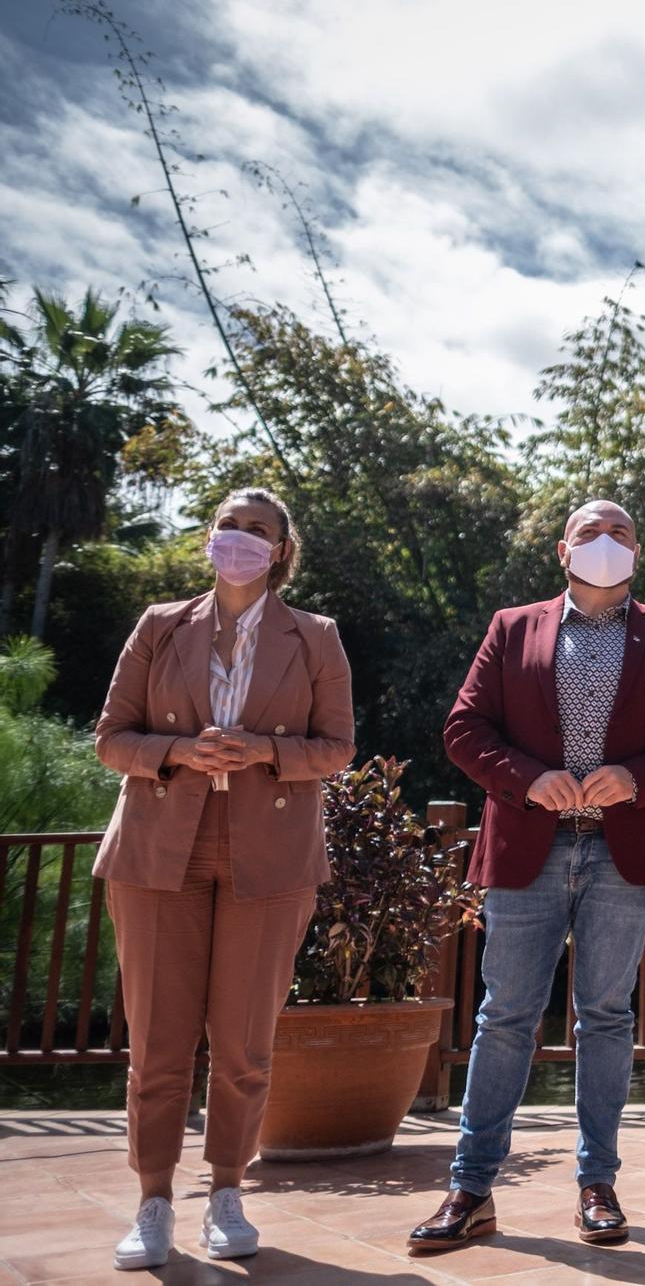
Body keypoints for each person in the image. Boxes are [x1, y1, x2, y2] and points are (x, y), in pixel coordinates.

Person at [409, 500, 645, 1252]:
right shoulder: (512, 627)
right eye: (591, 531)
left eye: (620, 531)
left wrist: (636, 777)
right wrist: (527, 778)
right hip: (530, 845)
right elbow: (463, 729)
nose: (606, 542)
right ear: (563, 549)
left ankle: (598, 1184)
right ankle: (471, 1187)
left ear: (638, 552)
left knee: (608, 1016)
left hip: (624, 852)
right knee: (505, 1015)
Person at [94, 488, 355, 1269]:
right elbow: (111, 737)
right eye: (228, 526)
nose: (238, 538)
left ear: (281, 550)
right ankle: (152, 1201)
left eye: (258, 530)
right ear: (210, 537)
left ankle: (228, 1191)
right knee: (158, 1043)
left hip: (268, 856)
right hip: (155, 851)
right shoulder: (158, 624)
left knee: (243, 1042)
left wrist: (264, 751)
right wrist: (177, 752)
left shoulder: (315, 636)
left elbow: (337, 746)